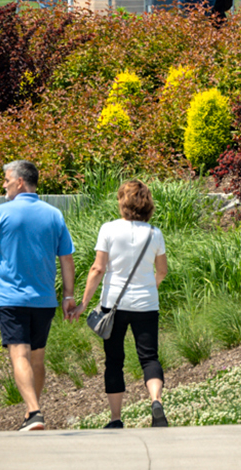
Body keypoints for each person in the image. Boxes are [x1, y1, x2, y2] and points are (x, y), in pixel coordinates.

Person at [0, 160, 76, 431]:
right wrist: (69, 296)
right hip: (45, 300)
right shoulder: (54, 214)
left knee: (19, 355)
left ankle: (34, 411)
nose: (4, 185)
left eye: (7, 180)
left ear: (20, 181)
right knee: (38, 358)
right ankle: (32, 412)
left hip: (13, 298)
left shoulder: (2, 213)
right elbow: (67, 258)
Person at [72, 180, 170, 429]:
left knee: (114, 360)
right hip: (147, 305)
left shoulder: (109, 229)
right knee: (149, 358)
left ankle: (115, 418)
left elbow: (98, 268)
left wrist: (84, 303)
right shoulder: (154, 233)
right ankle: (156, 400)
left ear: (122, 202)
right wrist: (151, 289)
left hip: (113, 304)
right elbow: (162, 271)